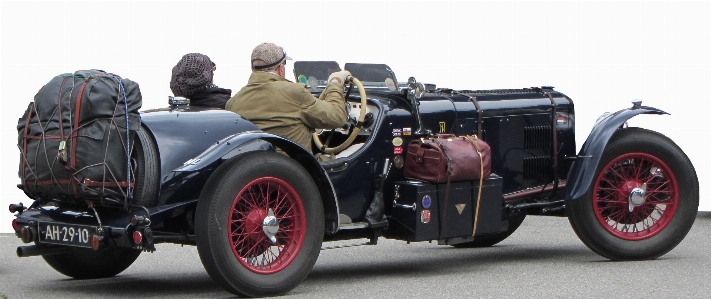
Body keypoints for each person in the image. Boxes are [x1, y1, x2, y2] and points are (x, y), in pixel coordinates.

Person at [225, 42, 350, 154]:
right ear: (281, 68)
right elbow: (337, 117)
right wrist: (335, 82)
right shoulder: (295, 92)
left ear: (253, 69)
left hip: (252, 176)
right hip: (296, 175)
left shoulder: (232, 103)